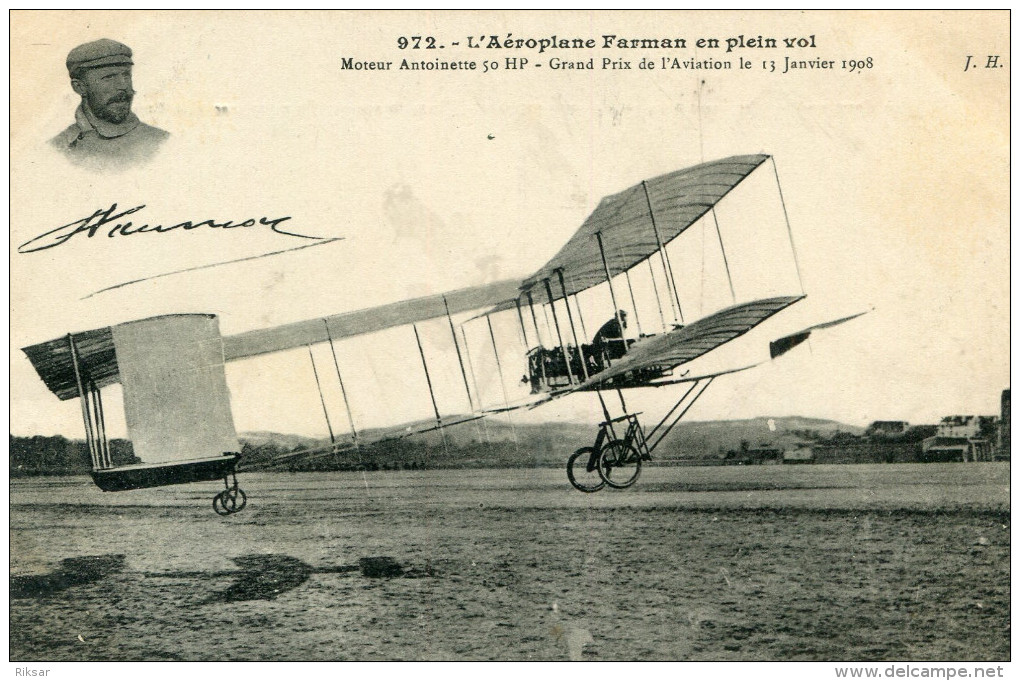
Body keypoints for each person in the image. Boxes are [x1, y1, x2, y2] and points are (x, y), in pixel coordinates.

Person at [50, 39, 169, 168]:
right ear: (79, 87)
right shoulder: (56, 149)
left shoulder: (162, 143)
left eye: (126, 75)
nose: (123, 85)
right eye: (109, 77)